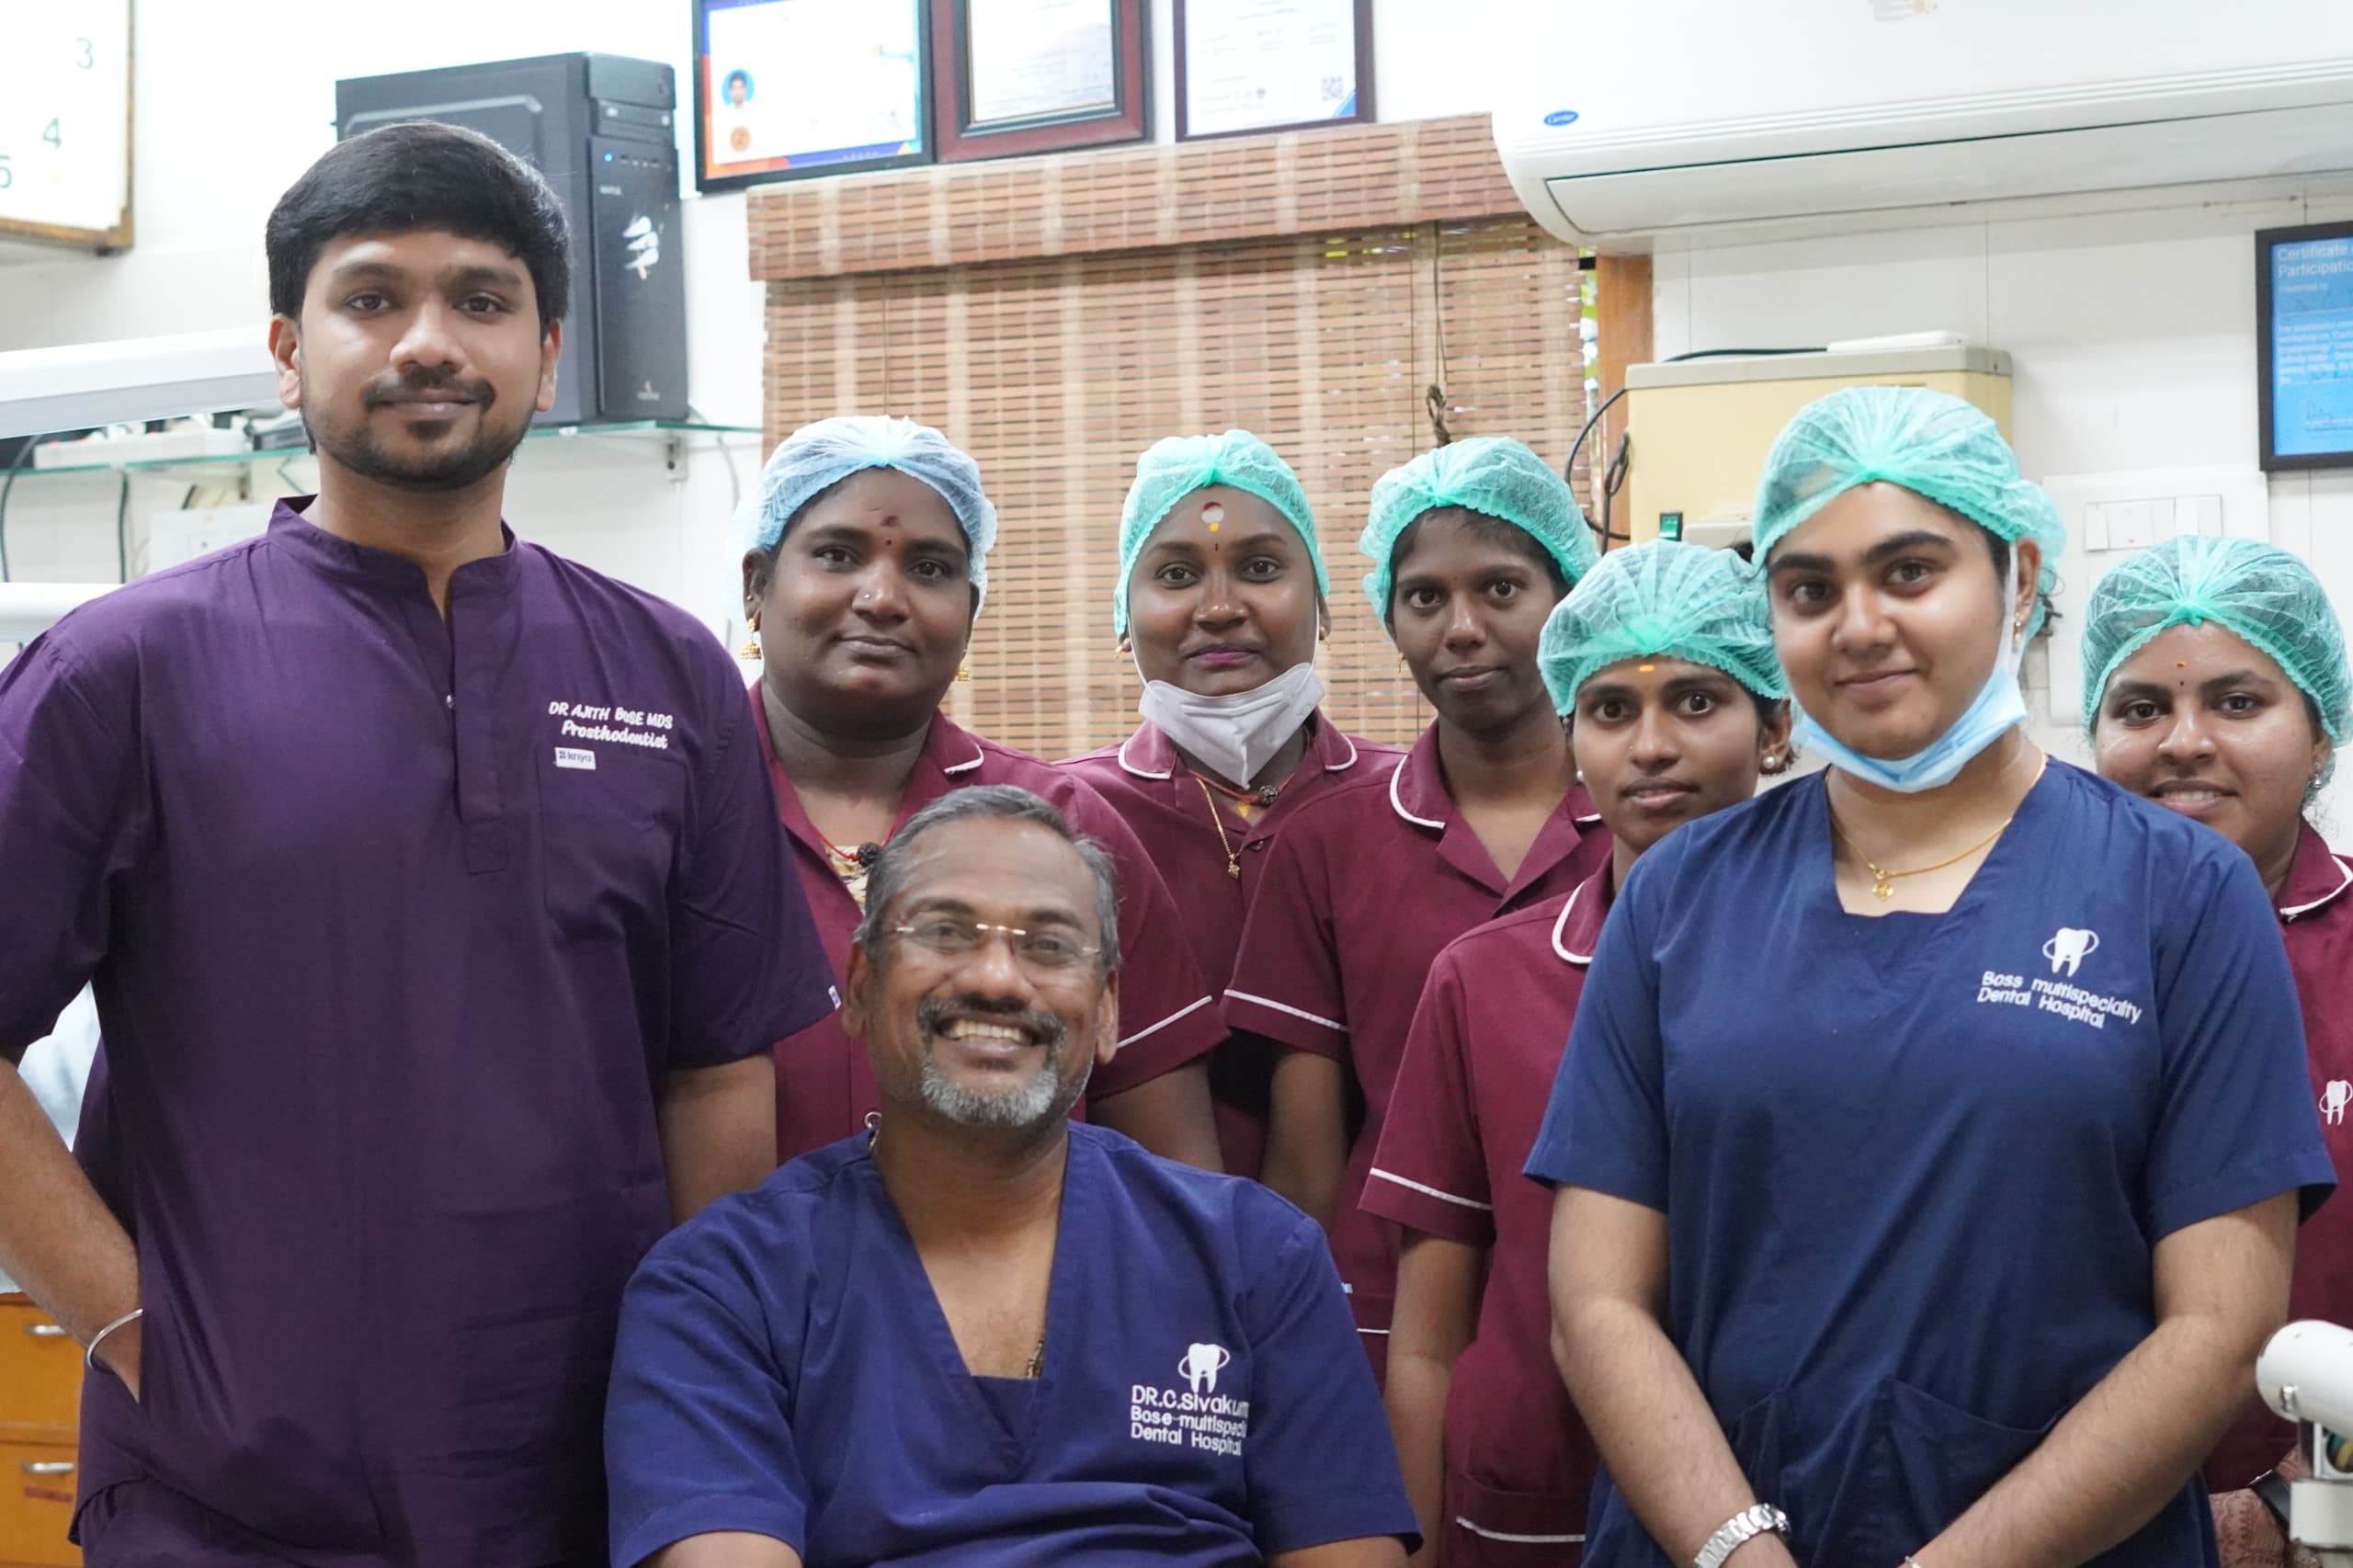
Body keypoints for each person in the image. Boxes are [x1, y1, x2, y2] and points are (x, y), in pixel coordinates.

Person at [0, 122, 835, 1566]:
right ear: (288, 345)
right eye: (373, 297)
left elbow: (716, 1067)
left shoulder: (669, 673)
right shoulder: (121, 671)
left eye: (482, 299)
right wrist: (137, 1328)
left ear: (549, 350)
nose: (429, 341)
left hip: (582, 1475)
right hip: (225, 1493)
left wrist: (701, 1400)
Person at [1529, 385, 2334, 1568]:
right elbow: (1596, 1302)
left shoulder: (2182, 896)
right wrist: (1736, 1548)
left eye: (1909, 571)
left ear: (2015, 578)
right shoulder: (1677, 896)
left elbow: (2217, 1325)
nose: (1856, 624)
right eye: (1808, 589)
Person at [604, 786, 1420, 1568]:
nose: (996, 978)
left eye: (1048, 945)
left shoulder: (1256, 1257)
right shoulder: (719, 1287)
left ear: (1106, 1012)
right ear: (859, 988)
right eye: (946, 933)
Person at [1368, 540, 1791, 1565]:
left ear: (1775, 726)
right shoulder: (1482, 978)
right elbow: (1427, 1332)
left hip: (1777, 1481)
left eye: (1696, 701)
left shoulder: (1850, 963)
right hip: (1532, 1490)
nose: (1650, 745)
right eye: (1609, 710)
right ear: (1569, 735)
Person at [740, 416, 1226, 1169]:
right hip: (732, 1283)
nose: (882, 597)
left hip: (1034, 1283)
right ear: (757, 585)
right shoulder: (671, 806)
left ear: (973, 612)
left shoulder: (1063, 827)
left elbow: (1174, 1171)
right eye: (838, 555)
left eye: (930, 569)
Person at [1223, 436, 1610, 1378]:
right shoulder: (1325, 842)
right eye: (1425, 597)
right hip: (1379, 1315)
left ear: (1569, 600)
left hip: (1614, 1289)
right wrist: (1287, 1354)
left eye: (1502, 589)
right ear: (1388, 616)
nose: (1462, 627)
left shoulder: (1650, 825)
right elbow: (1306, 1158)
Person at [2083, 532, 2353, 1563]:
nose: (2183, 741)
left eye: (2237, 703)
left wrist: (2291, 1495)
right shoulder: (2025, 958)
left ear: (2321, 733)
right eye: (2141, 707)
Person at [1061, 431, 1403, 1178]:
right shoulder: (1066, 818)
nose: (1219, 608)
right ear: (1124, 616)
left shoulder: (1407, 808)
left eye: (1260, 568)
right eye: (1177, 574)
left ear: (1324, 604)